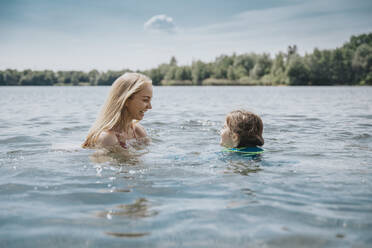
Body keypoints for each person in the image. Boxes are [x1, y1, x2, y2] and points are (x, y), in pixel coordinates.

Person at [82, 72, 153, 152]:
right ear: (126, 100)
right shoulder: (107, 138)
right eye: (145, 100)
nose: (150, 107)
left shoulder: (138, 131)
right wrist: (123, 148)